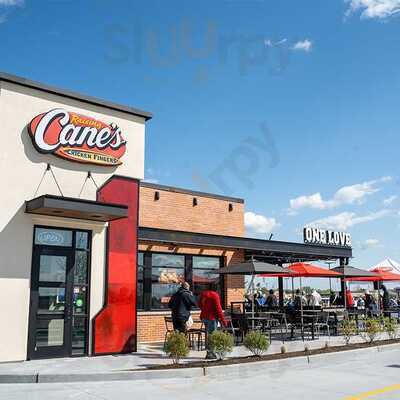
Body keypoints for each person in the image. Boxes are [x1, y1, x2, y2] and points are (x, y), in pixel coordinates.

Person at [198, 284, 226, 359]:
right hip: (212, 318)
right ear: (216, 289)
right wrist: (223, 320)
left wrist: (204, 310)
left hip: (204, 317)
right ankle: (211, 353)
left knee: (208, 335)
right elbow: (218, 309)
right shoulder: (215, 295)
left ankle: (209, 352)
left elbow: (199, 304)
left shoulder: (203, 294)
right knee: (212, 336)